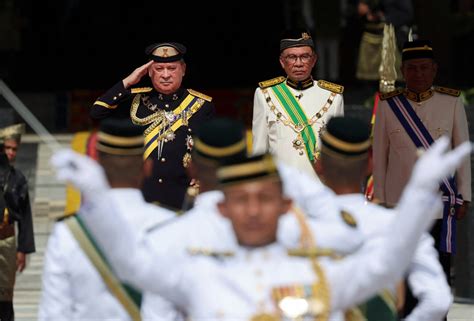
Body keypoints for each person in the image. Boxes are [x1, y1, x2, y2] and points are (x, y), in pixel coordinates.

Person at [49, 133, 471, 320]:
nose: (253, 211)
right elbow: (132, 264)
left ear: (287, 206)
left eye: (265, 200)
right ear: (222, 210)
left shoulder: (318, 271)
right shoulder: (201, 274)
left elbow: (384, 265)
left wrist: (418, 193)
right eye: (241, 201)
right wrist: (98, 198)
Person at [313, 116, 451, 321]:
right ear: (370, 165)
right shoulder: (399, 226)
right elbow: (438, 302)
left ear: (319, 166)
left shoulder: (292, 226)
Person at [38, 118, 176, 321]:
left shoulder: (69, 232)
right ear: (147, 167)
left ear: (97, 164)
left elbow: (54, 314)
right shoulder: (172, 227)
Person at [372, 40, 471, 289]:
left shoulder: (451, 102)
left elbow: (461, 152)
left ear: (434, 69)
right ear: (403, 71)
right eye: (412, 68)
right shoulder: (388, 105)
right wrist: (381, 201)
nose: (419, 74)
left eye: (424, 68)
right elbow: (379, 157)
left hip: (440, 203)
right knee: (402, 275)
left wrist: (465, 195)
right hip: (399, 204)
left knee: (438, 272)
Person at [90, 42, 215, 210]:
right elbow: (97, 113)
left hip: (182, 196)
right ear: (148, 71)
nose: (165, 75)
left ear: (183, 69)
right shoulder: (134, 100)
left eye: (171, 68)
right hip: (140, 197)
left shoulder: (201, 105)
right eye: (159, 69)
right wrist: (128, 81)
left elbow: (209, 154)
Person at [251, 29, 344, 180]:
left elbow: (338, 150)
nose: (299, 63)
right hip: (282, 186)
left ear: (314, 60)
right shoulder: (264, 94)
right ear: (282, 61)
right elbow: (259, 149)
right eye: (292, 57)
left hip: (319, 185)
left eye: (304, 57)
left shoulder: (333, 96)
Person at [0, 123, 35, 321]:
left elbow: (25, 215)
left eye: (14, 149)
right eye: (7, 148)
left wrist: (22, 249)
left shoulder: (18, 179)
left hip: (8, 240)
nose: (11, 153)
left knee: (5, 293)